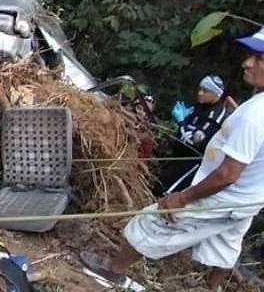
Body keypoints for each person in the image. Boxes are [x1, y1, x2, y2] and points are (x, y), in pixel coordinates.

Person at [80, 27, 264, 291]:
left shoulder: (255, 115)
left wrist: (182, 198)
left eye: (259, 58)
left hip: (225, 194)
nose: (247, 62)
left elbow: (228, 174)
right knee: (227, 243)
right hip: (248, 199)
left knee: (152, 220)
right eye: (251, 55)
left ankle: (112, 270)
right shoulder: (255, 107)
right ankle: (214, 288)